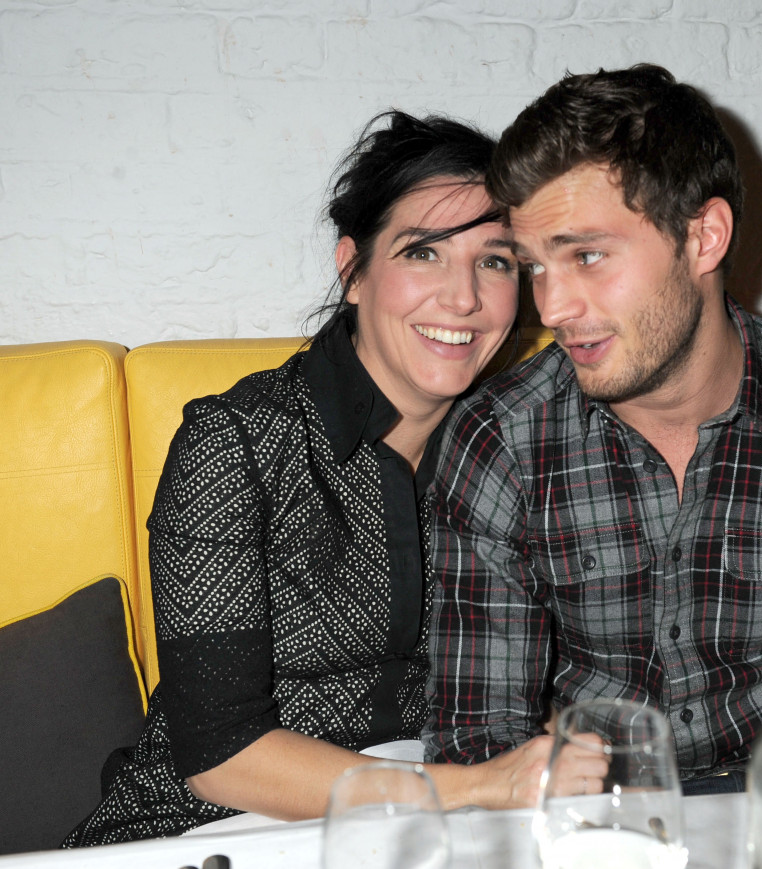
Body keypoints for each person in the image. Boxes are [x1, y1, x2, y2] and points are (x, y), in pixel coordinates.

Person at [65, 110, 604, 846]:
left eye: (496, 261)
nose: (463, 298)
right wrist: (478, 787)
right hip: (207, 831)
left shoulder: (522, 442)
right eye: (424, 253)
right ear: (353, 270)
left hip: (432, 834)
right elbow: (219, 755)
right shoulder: (238, 441)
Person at [423, 64, 762, 793]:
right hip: (596, 813)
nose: (552, 307)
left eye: (586, 256)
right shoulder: (500, 437)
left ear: (704, 238)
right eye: (535, 267)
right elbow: (478, 741)